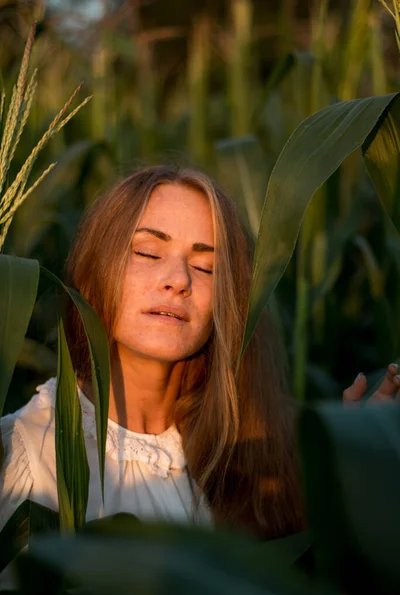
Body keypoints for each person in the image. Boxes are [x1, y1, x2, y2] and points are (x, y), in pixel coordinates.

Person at [1, 165, 399, 552]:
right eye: (147, 252)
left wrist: (349, 481)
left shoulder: (259, 454)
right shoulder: (25, 456)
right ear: (91, 275)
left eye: (205, 266)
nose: (178, 280)